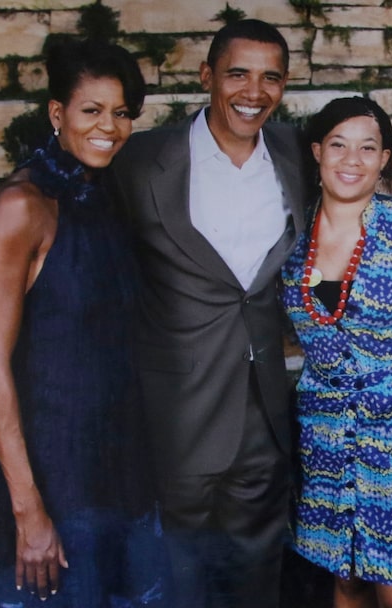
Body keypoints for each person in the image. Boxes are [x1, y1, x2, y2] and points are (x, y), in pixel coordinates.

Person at [108, 19, 313, 608]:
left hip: (262, 409)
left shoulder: (296, 153)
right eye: (238, 74)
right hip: (175, 410)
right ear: (207, 77)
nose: (255, 91)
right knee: (178, 574)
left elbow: (358, 183)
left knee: (256, 571)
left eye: (271, 77)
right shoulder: (142, 160)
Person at [0, 38, 167, 607]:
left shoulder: (105, 193)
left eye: (122, 113)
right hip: (48, 468)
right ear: (57, 114)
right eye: (92, 110)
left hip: (116, 462)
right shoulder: (21, 207)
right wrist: (28, 511)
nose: (111, 127)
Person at [281, 96, 392, 608]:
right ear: (317, 151)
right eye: (338, 145)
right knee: (347, 580)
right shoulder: (289, 239)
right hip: (330, 439)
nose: (351, 159)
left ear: (384, 159)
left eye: (368, 147)